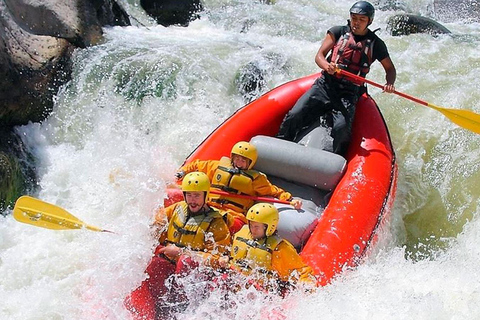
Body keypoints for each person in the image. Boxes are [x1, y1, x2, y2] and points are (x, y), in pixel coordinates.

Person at [277, 1, 396, 156]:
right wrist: (327, 66)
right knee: (295, 114)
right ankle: (280, 144)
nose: (356, 23)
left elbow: (390, 69)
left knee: (341, 130)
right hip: (325, 86)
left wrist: (389, 83)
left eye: (361, 19)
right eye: (354, 18)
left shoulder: (376, 44)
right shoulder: (337, 32)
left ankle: (337, 161)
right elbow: (319, 56)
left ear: (369, 21)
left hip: (349, 93)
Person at [125, 172, 231, 320]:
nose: (192, 201)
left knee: (185, 262)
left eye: (197, 196)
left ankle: (178, 310)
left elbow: (217, 260)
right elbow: (158, 224)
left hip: (194, 279)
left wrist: (181, 252)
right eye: (189, 195)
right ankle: (149, 311)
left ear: (206, 196)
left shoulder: (216, 223)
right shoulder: (177, 209)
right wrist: (145, 232)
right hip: (170, 268)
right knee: (154, 265)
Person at [176, 141, 302, 234]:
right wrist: (182, 173)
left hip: (234, 215)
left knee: (220, 225)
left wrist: (290, 200)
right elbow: (197, 165)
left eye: (243, 160)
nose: (239, 163)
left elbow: (274, 191)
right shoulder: (218, 166)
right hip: (209, 207)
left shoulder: (256, 180)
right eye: (236, 159)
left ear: (250, 163)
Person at [218, 203, 316, 294]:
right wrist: (225, 257)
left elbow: (301, 271)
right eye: (251, 225)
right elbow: (227, 251)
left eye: (257, 226)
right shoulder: (241, 234)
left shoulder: (279, 248)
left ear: (269, 227)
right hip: (234, 283)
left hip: (260, 292)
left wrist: (306, 283)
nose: (252, 229)